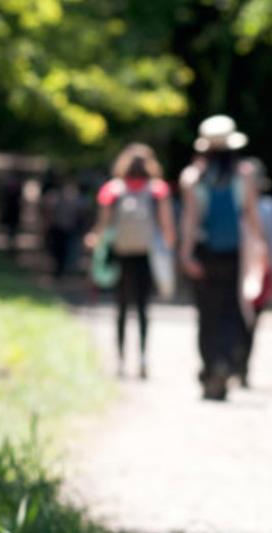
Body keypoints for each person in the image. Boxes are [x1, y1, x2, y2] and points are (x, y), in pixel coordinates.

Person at [179, 115, 269, 400]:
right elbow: (252, 217)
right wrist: (261, 250)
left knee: (207, 314)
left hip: (205, 254)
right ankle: (225, 364)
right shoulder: (245, 174)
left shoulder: (193, 178)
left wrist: (185, 255)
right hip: (235, 254)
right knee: (232, 311)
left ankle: (210, 367)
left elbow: (190, 222)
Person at [86, 143, 176, 379]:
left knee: (122, 308)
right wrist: (170, 249)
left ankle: (121, 359)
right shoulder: (158, 190)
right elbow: (166, 226)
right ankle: (144, 359)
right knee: (144, 308)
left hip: (121, 253)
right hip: (147, 255)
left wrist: (94, 241)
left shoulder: (113, 189)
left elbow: (104, 225)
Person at [237, 157, 272, 387]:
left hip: (256, 269)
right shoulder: (265, 207)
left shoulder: (265, 206)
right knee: (242, 320)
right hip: (246, 268)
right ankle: (239, 365)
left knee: (249, 320)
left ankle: (242, 366)